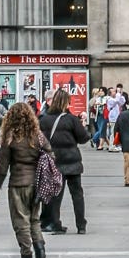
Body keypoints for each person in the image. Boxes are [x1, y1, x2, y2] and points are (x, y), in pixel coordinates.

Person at [0, 101, 51, 258]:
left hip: (18, 184)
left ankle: (26, 257)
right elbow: (50, 154)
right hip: (36, 184)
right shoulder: (37, 135)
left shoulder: (10, 137)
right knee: (34, 218)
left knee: (20, 221)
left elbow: (2, 168)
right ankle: (40, 249)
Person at [39, 88, 90, 235]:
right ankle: (81, 225)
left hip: (54, 162)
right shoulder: (71, 119)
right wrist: (83, 124)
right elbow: (84, 138)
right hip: (72, 161)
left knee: (56, 195)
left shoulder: (43, 119)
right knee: (77, 194)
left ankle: (55, 223)